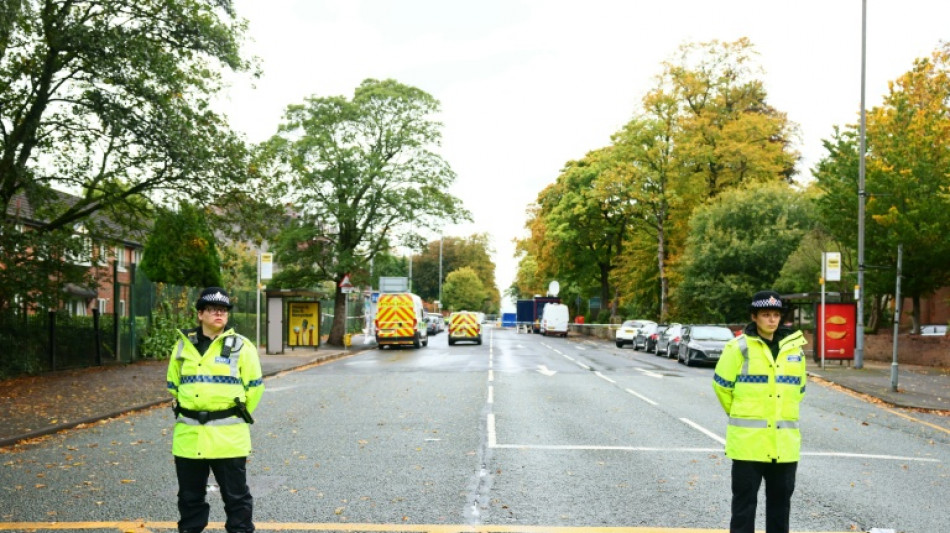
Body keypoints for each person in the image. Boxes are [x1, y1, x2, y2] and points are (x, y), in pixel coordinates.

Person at [167, 287, 264, 533]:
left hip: (228, 437)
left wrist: (233, 414)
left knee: (236, 498)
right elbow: (173, 386)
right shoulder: (182, 346)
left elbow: (255, 387)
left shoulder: (242, 347)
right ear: (200, 314)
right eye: (212, 309)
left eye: (223, 310)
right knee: (189, 499)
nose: (219, 314)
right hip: (189, 437)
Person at [712, 290, 808, 533]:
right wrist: (742, 413)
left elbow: (799, 390)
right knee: (744, 508)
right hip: (748, 445)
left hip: (783, 444)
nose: (772, 320)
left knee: (780, 508)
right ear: (754, 316)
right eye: (766, 314)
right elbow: (722, 387)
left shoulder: (795, 350)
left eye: (776, 314)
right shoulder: (738, 348)